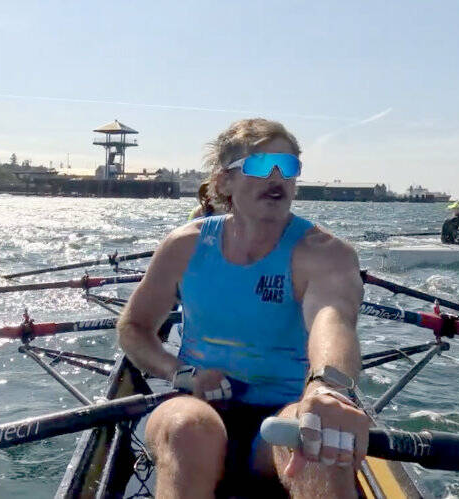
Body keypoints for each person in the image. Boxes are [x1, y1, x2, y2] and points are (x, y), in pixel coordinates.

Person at [118, 118, 369, 498]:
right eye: (259, 165)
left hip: (284, 415)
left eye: (287, 167)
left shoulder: (325, 254)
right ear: (224, 182)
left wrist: (329, 388)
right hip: (196, 405)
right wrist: (182, 373)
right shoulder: (183, 245)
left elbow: (331, 318)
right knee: (187, 428)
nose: (276, 177)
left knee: (316, 436)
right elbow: (134, 328)